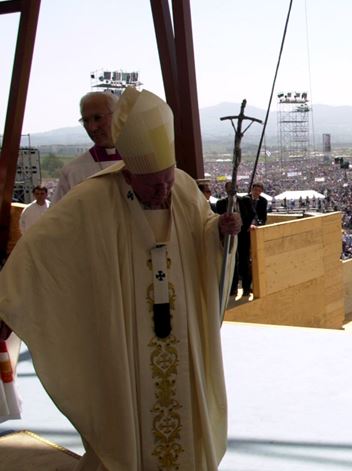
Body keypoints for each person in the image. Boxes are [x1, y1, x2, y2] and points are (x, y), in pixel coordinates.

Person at [0, 88, 241, 470]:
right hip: (123, 337)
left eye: (166, 178)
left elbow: (203, 233)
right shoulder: (93, 198)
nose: (163, 190)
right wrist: (9, 300)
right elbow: (41, 251)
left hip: (182, 333)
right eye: (152, 184)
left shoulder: (181, 187)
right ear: (129, 172)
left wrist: (221, 232)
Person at [52, 92, 122, 202]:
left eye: (98, 118)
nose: (92, 127)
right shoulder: (72, 172)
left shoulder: (142, 162)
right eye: (85, 120)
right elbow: (57, 217)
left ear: (117, 115)